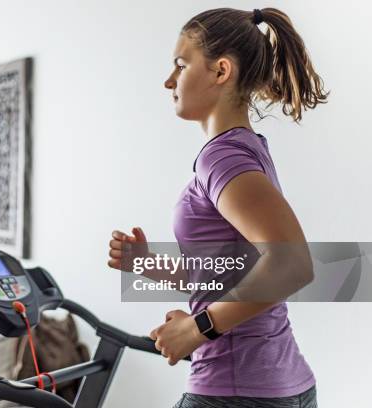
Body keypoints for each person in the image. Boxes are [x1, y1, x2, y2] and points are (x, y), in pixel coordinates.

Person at [108, 7, 328, 408]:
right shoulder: (247, 149)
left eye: (181, 64)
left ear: (221, 71)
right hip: (280, 385)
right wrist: (149, 265)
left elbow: (292, 264)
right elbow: (236, 270)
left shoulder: (222, 158)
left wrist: (196, 329)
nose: (168, 81)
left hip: (235, 391)